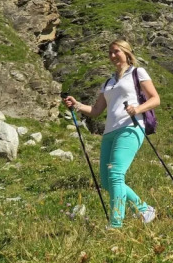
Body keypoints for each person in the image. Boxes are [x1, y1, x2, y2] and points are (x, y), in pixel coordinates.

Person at [64, 39, 159, 228]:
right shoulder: (108, 82)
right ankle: (144, 209)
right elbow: (96, 110)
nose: (113, 55)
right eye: (110, 53)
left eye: (116, 51)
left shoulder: (137, 73)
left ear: (126, 52)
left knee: (116, 174)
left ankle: (115, 224)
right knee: (107, 182)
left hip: (130, 127)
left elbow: (155, 98)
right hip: (109, 132)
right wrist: (77, 105)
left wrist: (138, 109)